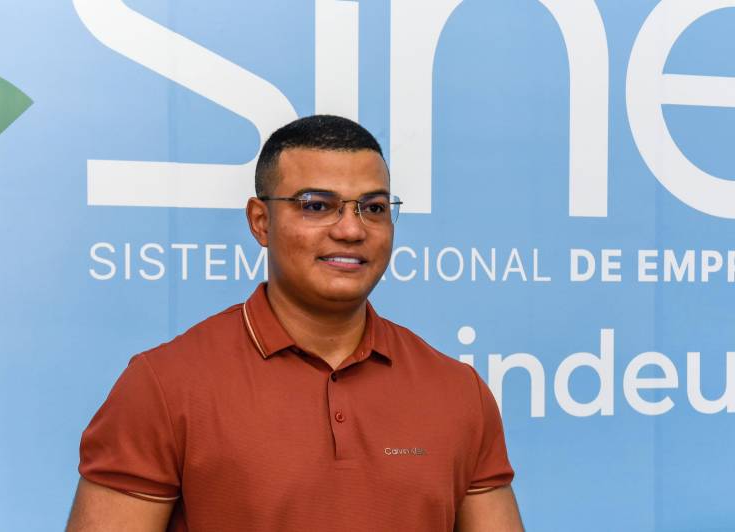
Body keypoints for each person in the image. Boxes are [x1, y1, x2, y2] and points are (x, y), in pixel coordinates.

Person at [66, 115, 523, 531]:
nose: (351, 229)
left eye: (373, 208)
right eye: (317, 206)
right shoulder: (164, 386)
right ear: (260, 221)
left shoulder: (457, 391)